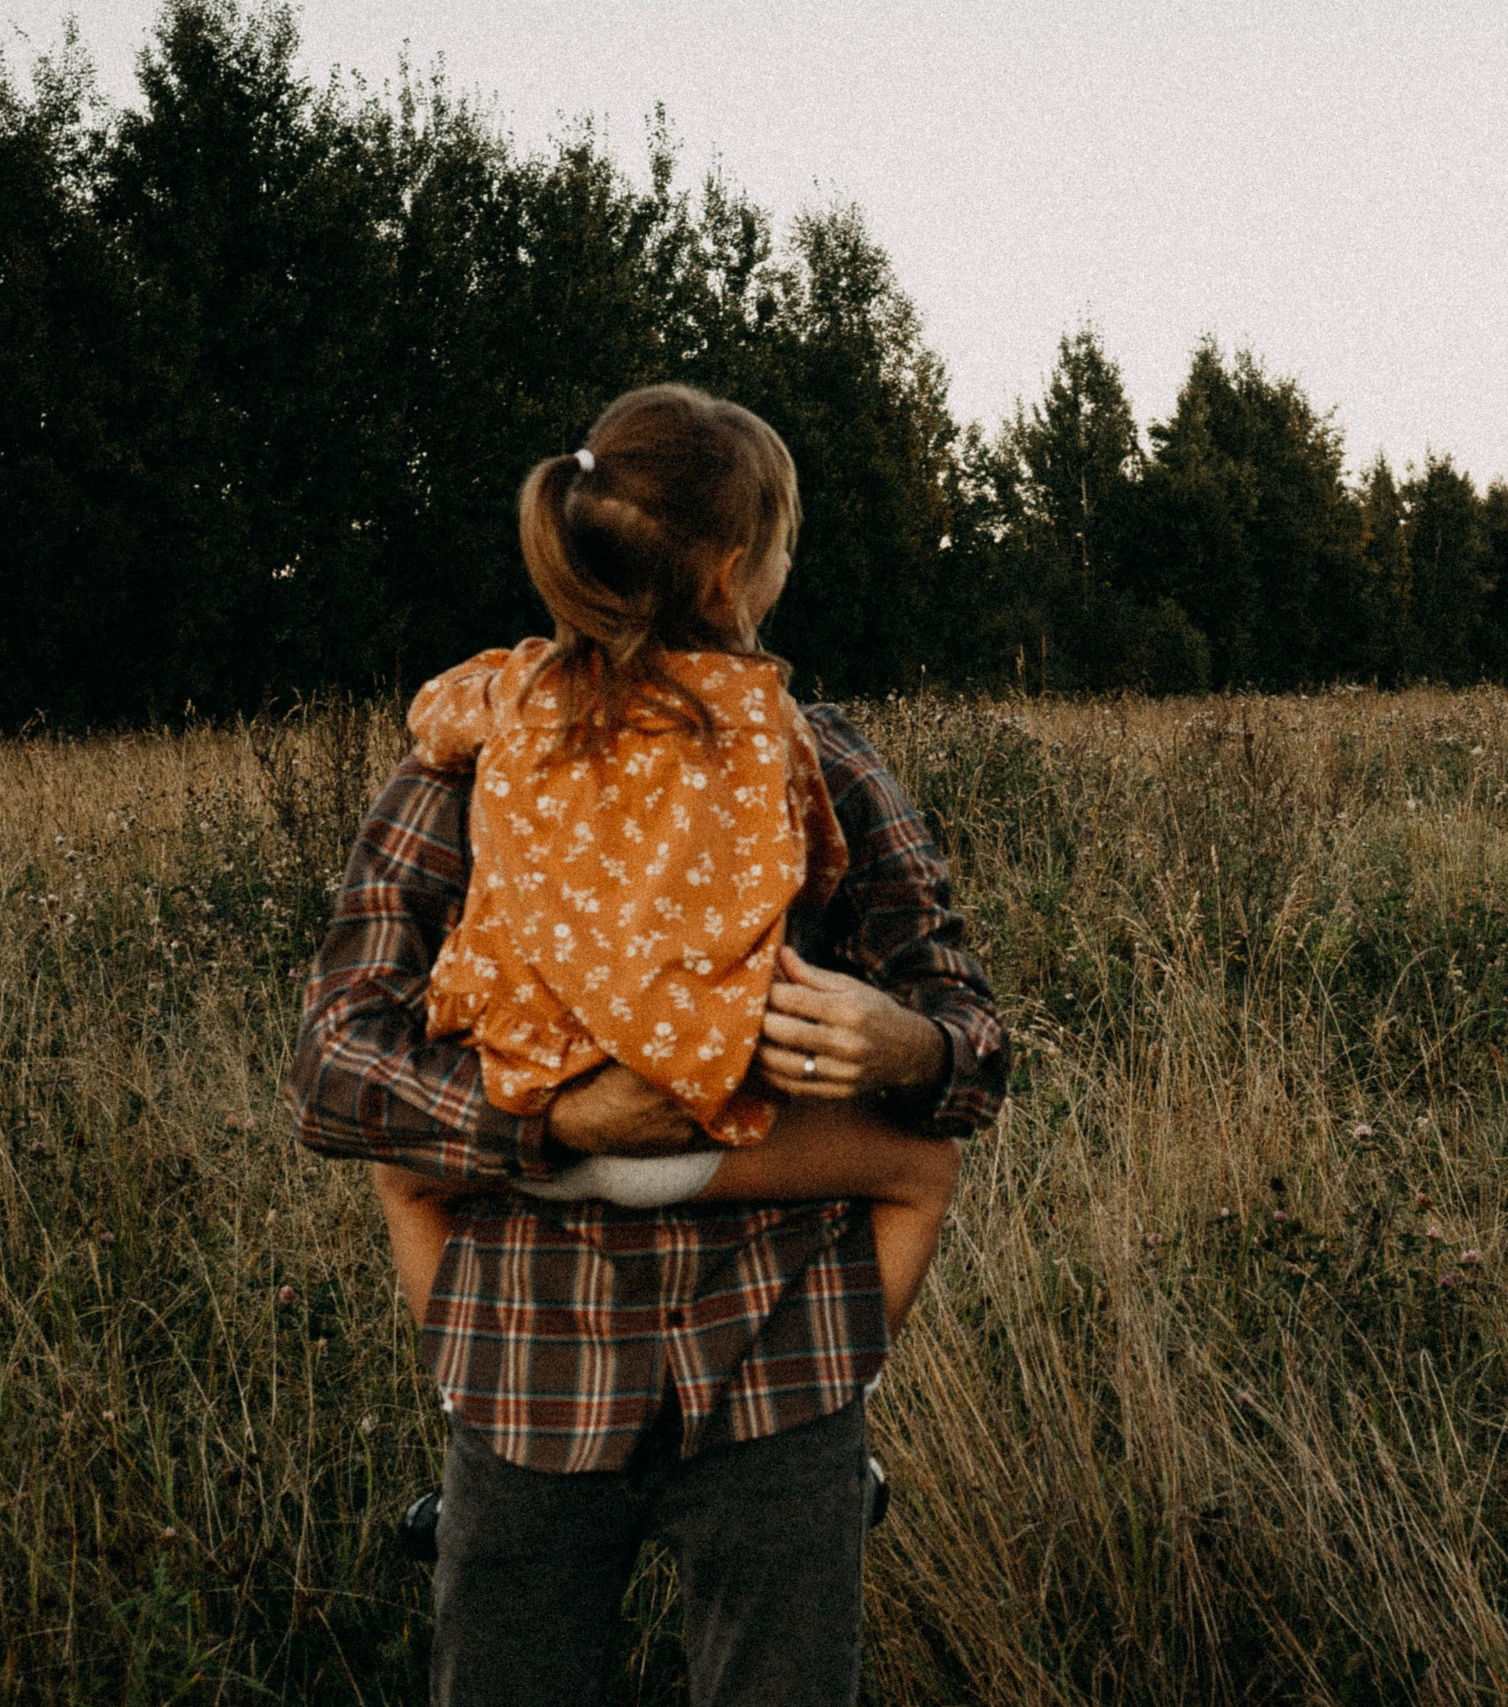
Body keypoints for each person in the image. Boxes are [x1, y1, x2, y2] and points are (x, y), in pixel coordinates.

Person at [286, 415, 1006, 1707]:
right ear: (737, 573)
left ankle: (844, 1454)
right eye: (787, 539)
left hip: (781, 1378)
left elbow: (972, 1043)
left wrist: (908, 1038)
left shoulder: (499, 730)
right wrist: (560, 1119)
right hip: (529, 1379)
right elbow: (336, 1059)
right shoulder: (476, 771)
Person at [369, 383, 960, 1339]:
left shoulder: (505, 695)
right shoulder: (773, 723)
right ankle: (850, 1386)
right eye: (785, 547)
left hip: (532, 1099)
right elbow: (820, 857)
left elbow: (431, 717)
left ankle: (459, 1391)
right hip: (708, 1107)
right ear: (733, 582)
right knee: (925, 1170)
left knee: (402, 1176)